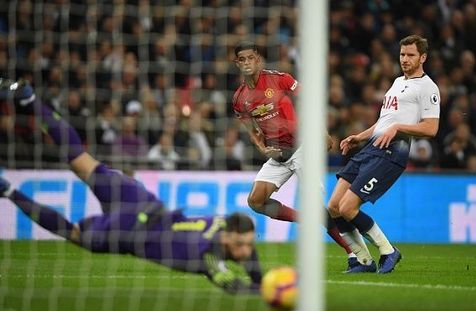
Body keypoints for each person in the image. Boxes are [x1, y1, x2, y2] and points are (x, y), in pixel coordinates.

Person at [0, 78, 262, 294]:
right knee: (74, 234)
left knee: (80, 160)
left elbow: (243, 249)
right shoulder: (206, 256)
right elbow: (233, 286)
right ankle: (8, 190)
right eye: (241, 244)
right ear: (227, 237)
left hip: (140, 201)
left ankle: (30, 100)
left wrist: (258, 275)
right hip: (128, 231)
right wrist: (263, 289)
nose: (245, 251)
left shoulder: (220, 223)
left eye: (247, 245)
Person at [231, 41, 357, 269]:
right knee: (255, 201)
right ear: (237, 63)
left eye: (251, 58)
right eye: (243, 59)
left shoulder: (280, 79)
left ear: (258, 59)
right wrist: (263, 149)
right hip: (278, 155)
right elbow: (252, 132)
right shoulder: (240, 99)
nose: (248, 62)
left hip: (301, 148)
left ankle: (353, 252)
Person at [327, 35, 440, 273]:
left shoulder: (428, 87)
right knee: (334, 206)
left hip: (392, 152)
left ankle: (388, 250)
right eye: (402, 54)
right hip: (371, 147)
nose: (405, 59)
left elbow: (431, 128)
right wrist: (360, 136)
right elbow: (385, 123)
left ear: (423, 57)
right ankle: (364, 261)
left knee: (348, 208)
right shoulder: (398, 82)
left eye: (410, 55)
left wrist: (398, 128)